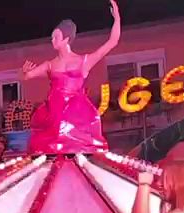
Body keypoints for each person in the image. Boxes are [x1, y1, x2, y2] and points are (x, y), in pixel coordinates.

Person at [22, 0, 120, 155]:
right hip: (55, 113)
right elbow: (27, 76)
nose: (52, 40)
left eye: (56, 37)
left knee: (77, 147)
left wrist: (117, 19)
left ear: (66, 39)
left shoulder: (83, 61)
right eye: (52, 37)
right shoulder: (50, 65)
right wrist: (25, 72)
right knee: (50, 146)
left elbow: (112, 42)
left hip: (76, 113)